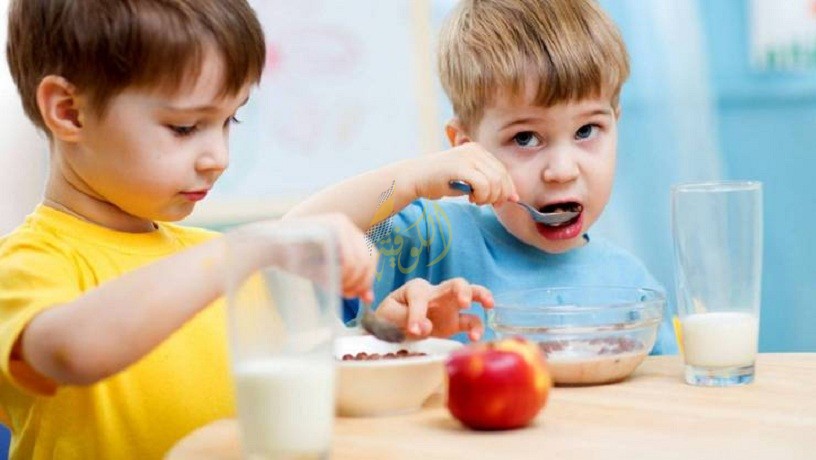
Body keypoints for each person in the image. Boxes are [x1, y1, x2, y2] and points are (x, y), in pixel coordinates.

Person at [0, 1, 490, 459]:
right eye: (185, 127)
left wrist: (388, 337)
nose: (219, 158)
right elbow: (70, 351)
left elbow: (295, 384)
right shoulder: (29, 263)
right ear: (69, 111)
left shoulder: (213, 257)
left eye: (228, 120)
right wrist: (247, 249)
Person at [286, 0, 677, 354]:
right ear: (467, 147)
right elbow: (288, 243)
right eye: (525, 138)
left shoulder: (635, 290)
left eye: (586, 130)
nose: (562, 170)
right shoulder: (428, 238)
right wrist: (406, 181)